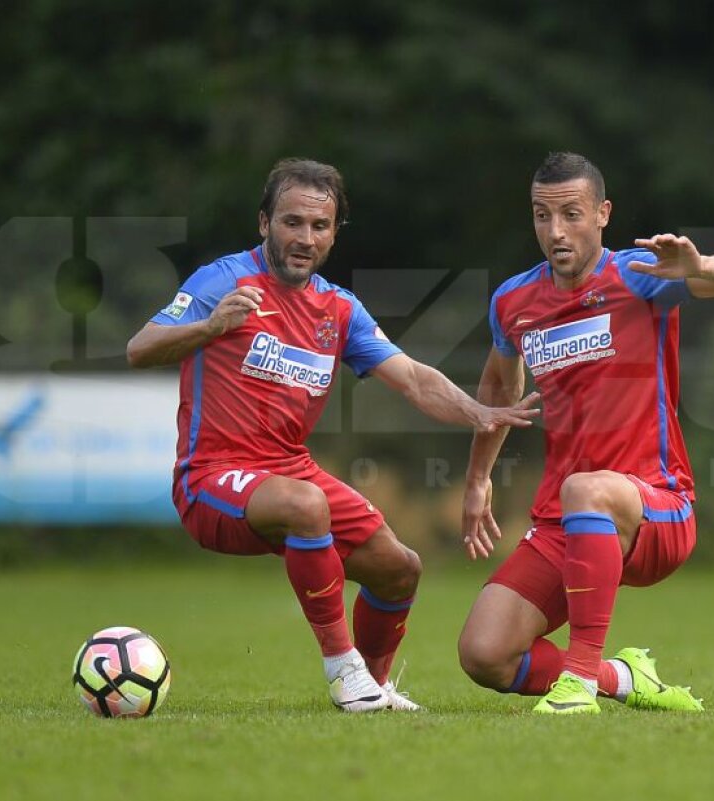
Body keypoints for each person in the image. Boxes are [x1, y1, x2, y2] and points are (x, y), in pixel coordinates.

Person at [127, 157, 539, 713]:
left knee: (399, 570)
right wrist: (210, 327)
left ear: (334, 233)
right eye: (292, 222)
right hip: (211, 477)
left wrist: (477, 411)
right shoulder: (223, 281)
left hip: (290, 473)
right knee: (307, 504)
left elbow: (413, 379)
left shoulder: (339, 309)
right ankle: (343, 669)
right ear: (264, 223)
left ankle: (371, 688)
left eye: (320, 226)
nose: (305, 237)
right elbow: (140, 348)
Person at [457, 151, 714, 714]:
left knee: (586, 488)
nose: (556, 231)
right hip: (565, 517)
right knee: (485, 653)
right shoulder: (513, 301)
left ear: (602, 214)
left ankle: (578, 681)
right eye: (542, 216)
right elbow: (499, 388)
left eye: (571, 214)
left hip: (658, 507)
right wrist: (478, 478)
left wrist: (700, 268)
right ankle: (621, 678)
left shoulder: (638, 275)